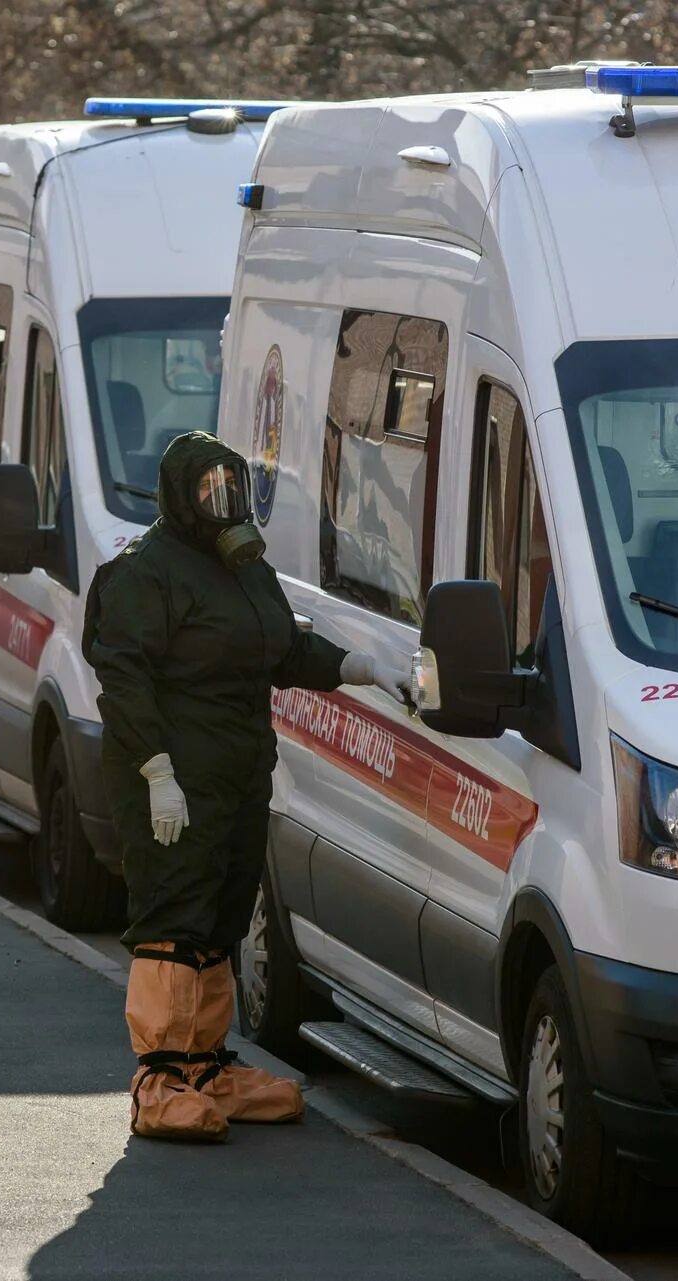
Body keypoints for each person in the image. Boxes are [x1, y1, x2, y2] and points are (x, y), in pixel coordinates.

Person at [86, 431, 410, 1142]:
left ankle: (205, 1068)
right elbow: (124, 679)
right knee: (174, 917)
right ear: (179, 496)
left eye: (231, 487)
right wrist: (156, 772)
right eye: (208, 490)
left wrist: (359, 667)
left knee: (222, 916)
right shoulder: (146, 573)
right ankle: (160, 1080)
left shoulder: (243, 570)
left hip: (236, 776)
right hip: (175, 780)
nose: (222, 502)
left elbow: (282, 647)